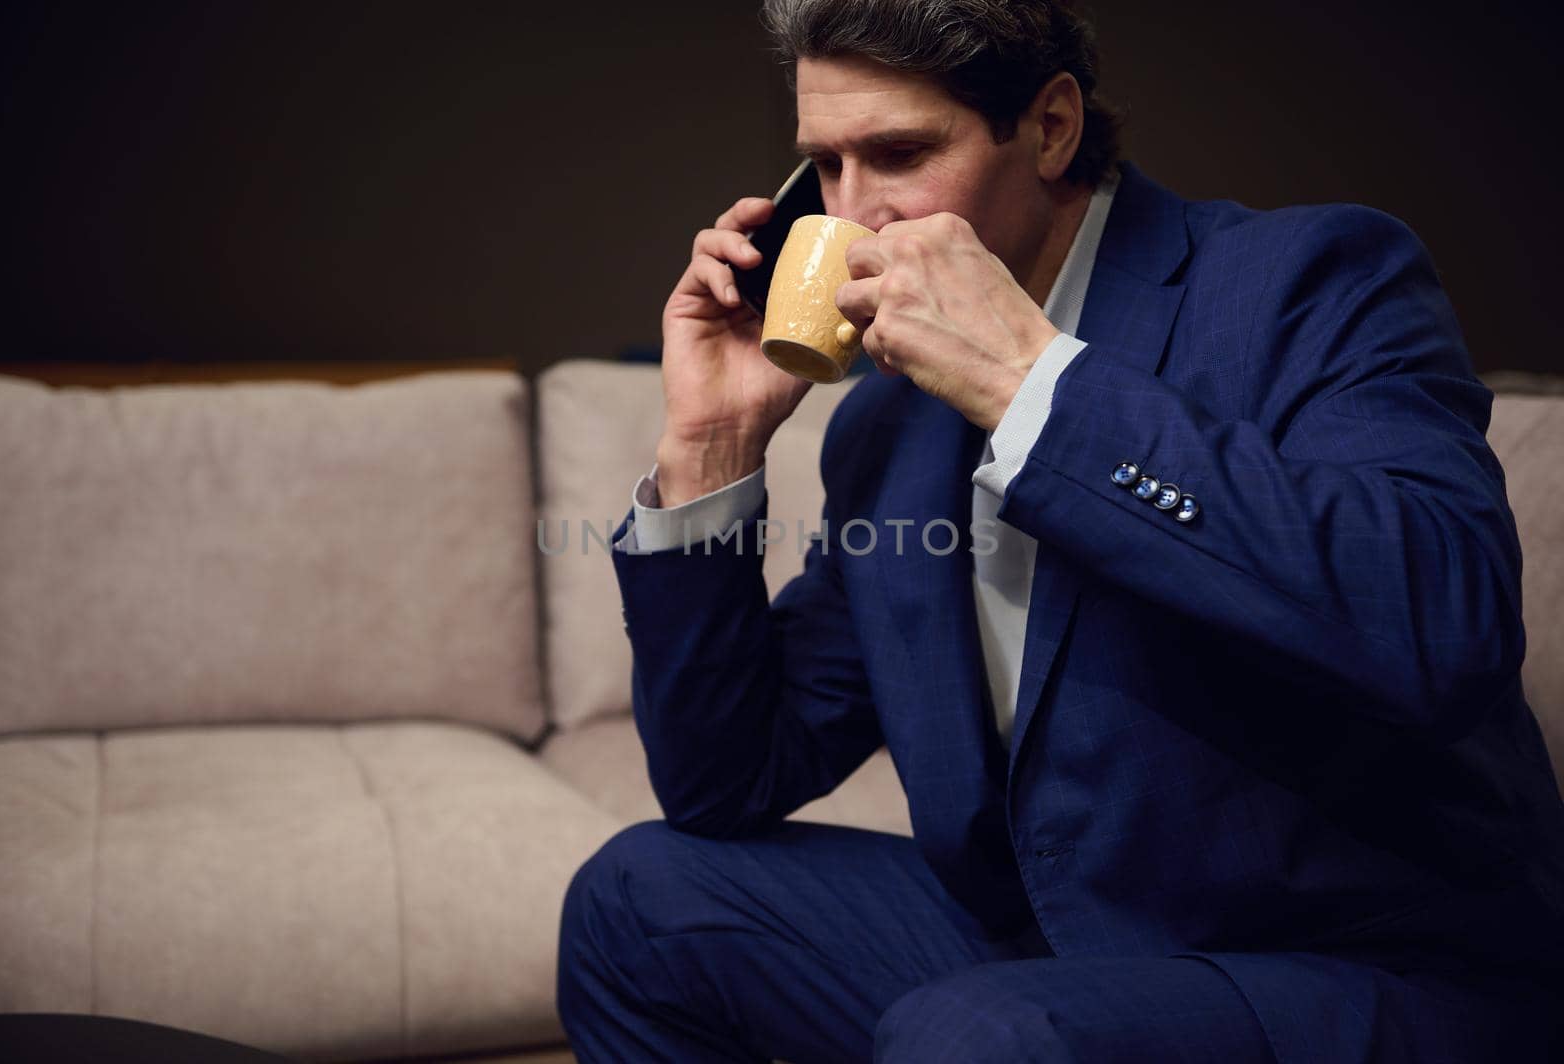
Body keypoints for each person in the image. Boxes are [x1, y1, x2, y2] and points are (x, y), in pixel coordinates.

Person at [557, 1, 1564, 1060]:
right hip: (1048, 950)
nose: (852, 218)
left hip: (1365, 970)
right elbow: (729, 779)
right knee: (639, 897)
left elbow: (1442, 621)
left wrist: (1030, 387)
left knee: (983, 1033)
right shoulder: (888, 431)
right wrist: (710, 447)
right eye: (826, 168)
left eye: (898, 154)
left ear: (1049, 129)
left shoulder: (1309, 281)